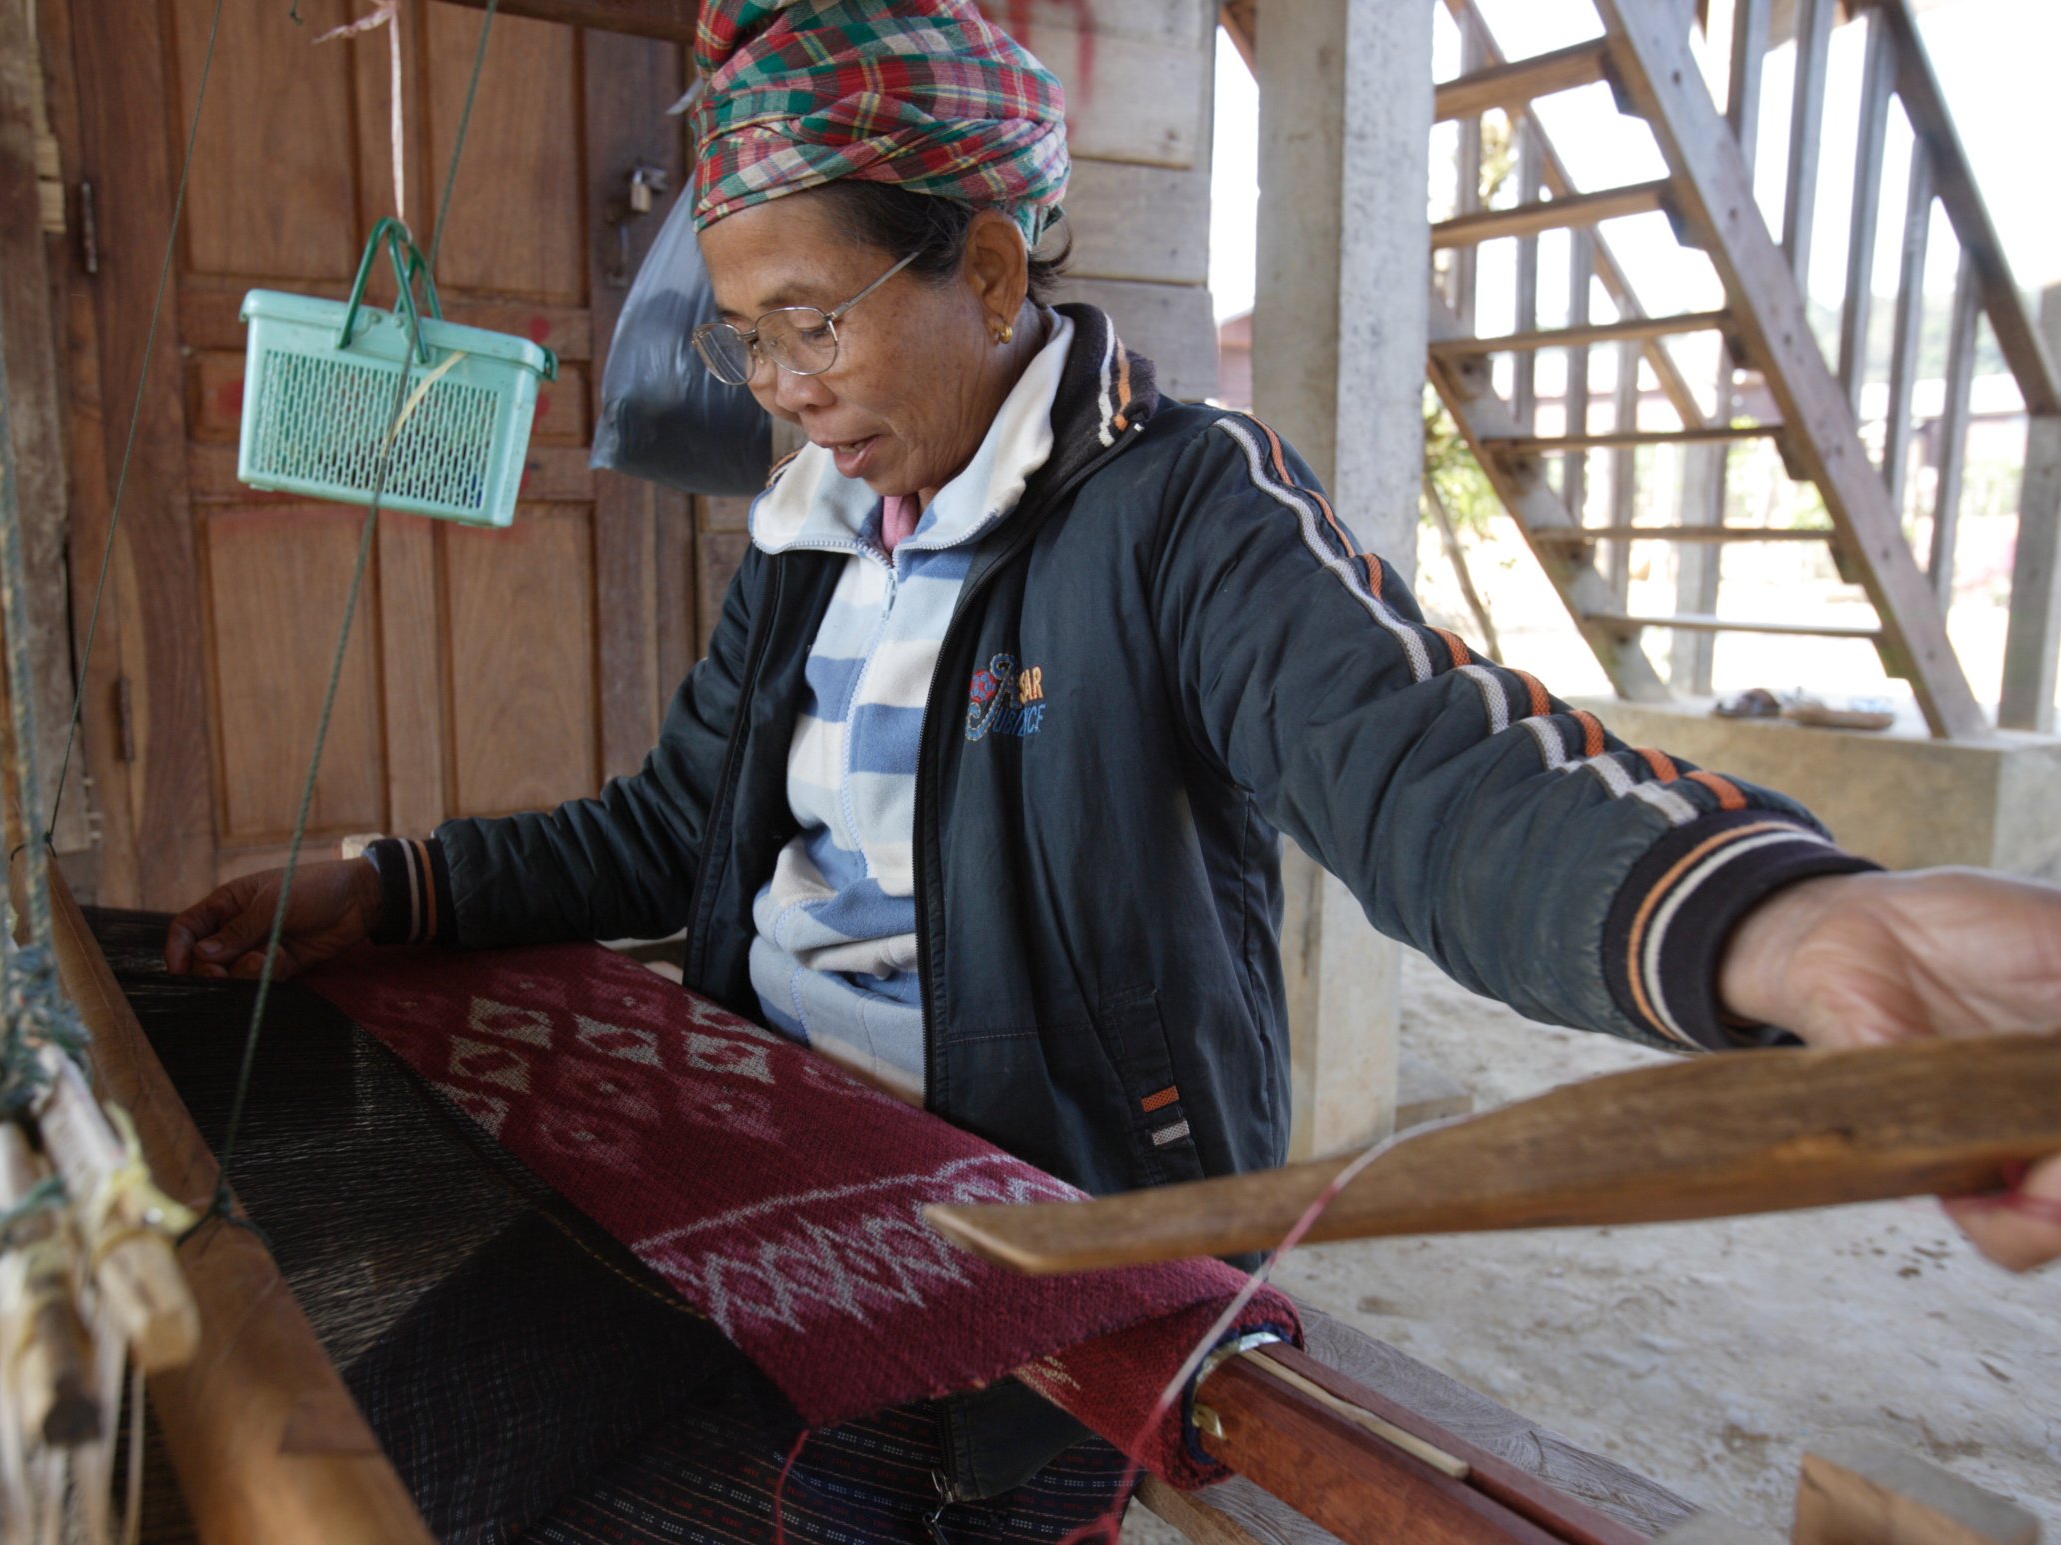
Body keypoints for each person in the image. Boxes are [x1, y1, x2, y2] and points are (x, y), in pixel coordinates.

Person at [170, 0, 2059, 1503]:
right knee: (787, 1479)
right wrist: (385, 886)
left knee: (1002, 1487)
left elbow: (1421, 769)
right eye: (749, 343)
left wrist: (1781, 928)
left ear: (988, 273)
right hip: (800, 1184)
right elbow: (672, 830)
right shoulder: (815, 538)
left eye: (814, 322)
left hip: (1063, 1219)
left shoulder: (1180, 512)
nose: (786, 389)